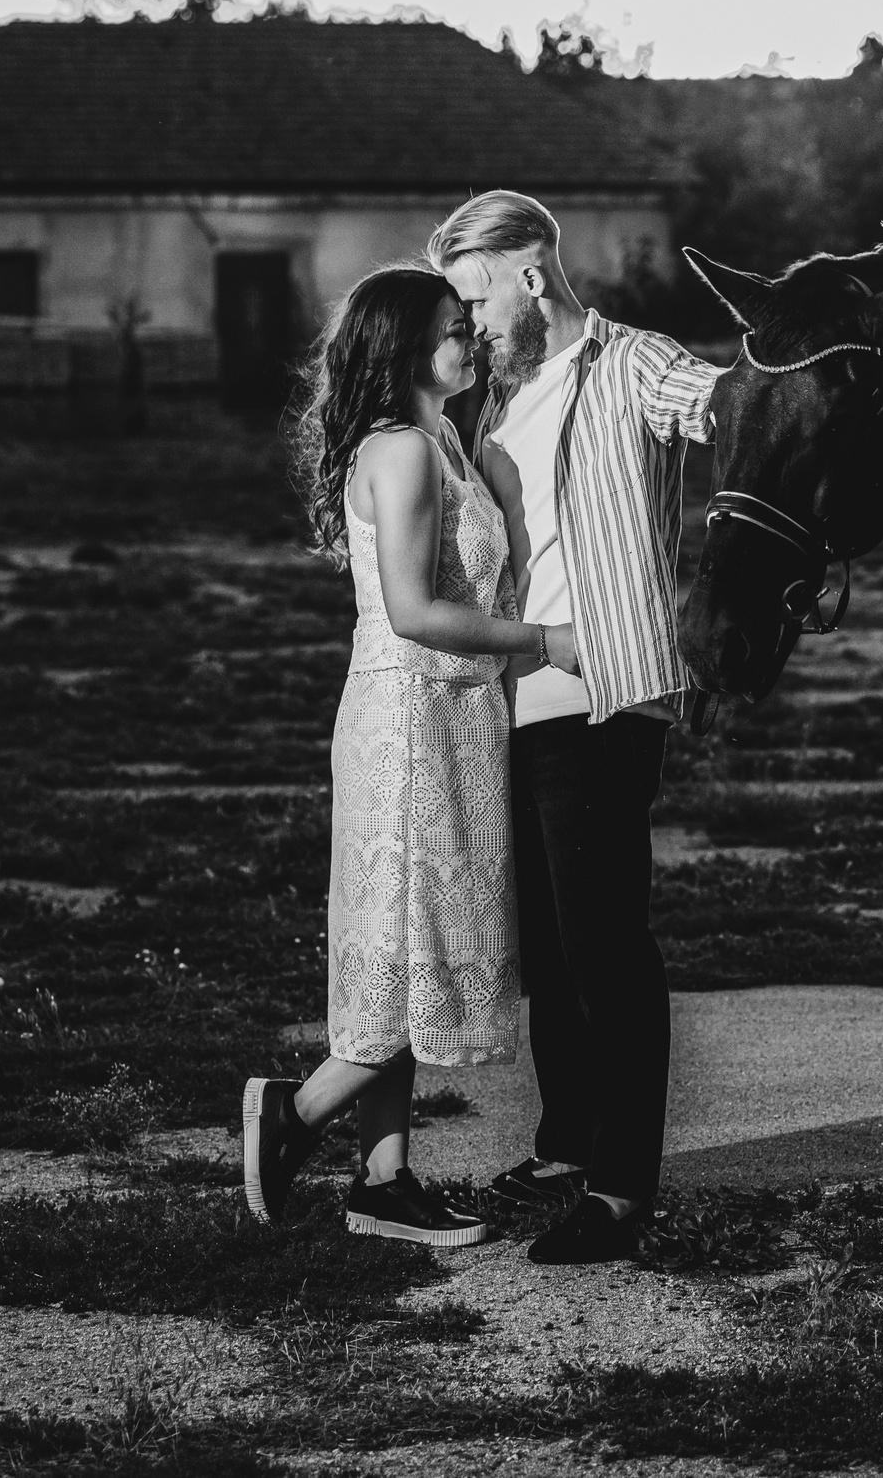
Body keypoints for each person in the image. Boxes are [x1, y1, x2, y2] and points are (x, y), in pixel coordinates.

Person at [242, 263, 573, 1246]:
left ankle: (383, 1184)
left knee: (401, 954)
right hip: (411, 720)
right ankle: (288, 1118)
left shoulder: (444, 443)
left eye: (466, 325)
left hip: (453, 719)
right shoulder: (404, 452)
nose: (468, 341)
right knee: (405, 952)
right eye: (447, 331)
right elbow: (415, 612)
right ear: (398, 351)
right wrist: (548, 643)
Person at [431, 191, 722, 1265]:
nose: (468, 325)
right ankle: (564, 1143)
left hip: (600, 692)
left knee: (602, 943)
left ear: (531, 277)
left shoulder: (632, 362)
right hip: (499, 700)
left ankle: (620, 1188)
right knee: (543, 952)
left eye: (474, 299)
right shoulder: (490, 399)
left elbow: (727, 408)